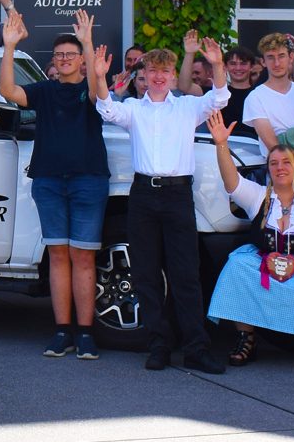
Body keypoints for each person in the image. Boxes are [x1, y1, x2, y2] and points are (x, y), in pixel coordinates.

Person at [95, 38, 230, 373]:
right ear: (145, 74)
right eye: (152, 70)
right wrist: (100, 77)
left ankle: (196, 348)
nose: (158, 76)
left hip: (177, 195)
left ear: (173, 76)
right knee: (146, 274)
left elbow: (221, 97)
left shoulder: (187, 107)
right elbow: (107, 108)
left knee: (186, 275)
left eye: (165, 71)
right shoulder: (136, 110)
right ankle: (158, 346)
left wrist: (216, 63)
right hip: (143, 195)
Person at [0, 10, 108, 361]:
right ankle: (63, 331)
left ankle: (86, 333)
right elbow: (7, 90)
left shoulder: (91, 91)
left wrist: (88, 43)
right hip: (47, 181)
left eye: (69, 55)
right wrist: (9, 46)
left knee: (83, 257)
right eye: (58, 55)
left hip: (88, 181)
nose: (63, 59)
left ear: (80, 61)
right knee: (58, 257)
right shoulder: (45, 90)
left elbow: (97, 88)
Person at [205, 113, 294, 366]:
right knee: (237, 266)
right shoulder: (259, 197)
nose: (280, 168)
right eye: (274, 163)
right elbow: (232, 182)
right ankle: (247, 337)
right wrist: (221, 144)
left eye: (286, 162)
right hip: (265, 264)